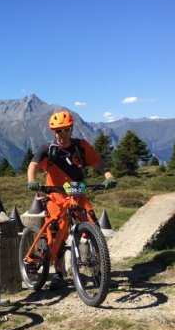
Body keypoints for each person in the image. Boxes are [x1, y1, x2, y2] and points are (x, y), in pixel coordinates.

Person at [26, 110, 117, 290]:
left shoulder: (81, 147)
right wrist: (32, 181)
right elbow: (33, 165)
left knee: (94, 230)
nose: (62, 134)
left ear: (71, 129)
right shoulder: (48, 150)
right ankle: (58, 274)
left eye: (66, 130)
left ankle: (101, 273)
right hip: (56, 197)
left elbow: (99, 162)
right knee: (56, 234)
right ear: (53, 132)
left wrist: (108, 176)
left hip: (79, 195)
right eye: (58, 131)